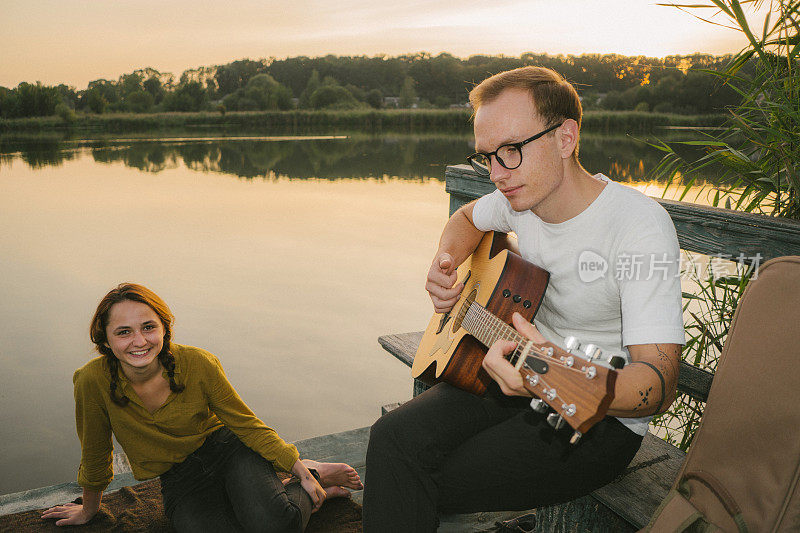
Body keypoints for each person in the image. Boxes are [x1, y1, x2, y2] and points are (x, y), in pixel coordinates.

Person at [362, 66, 685, 531]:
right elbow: (466, 219)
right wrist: (445, 263)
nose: (496, 174)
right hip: (514, 370)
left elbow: (657, 385)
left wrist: (553, 372)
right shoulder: (523, 198)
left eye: (511, 151)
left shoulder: (638, 227)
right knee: (392, 439)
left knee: (417, 478)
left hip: (598, 420)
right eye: (487, 157)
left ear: (565, 137)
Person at [42, 283, 362, 532]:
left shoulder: (197, 363)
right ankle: (275, 489)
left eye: (148, 327)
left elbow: (246, 425)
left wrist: (300, 470)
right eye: (124, 332)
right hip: (179, 477)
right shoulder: (91, 381)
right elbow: (96, 452)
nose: (139, 341)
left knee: (274, 525)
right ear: (106, 339)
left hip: (229, 450)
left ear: (164, 328)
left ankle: (316, 478)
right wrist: (89, 509)